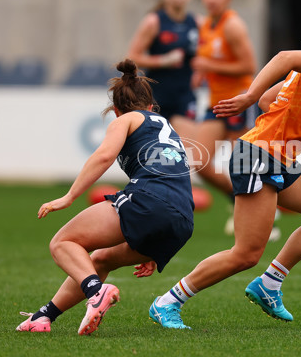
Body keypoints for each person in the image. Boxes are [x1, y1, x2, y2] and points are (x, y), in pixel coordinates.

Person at [149, 3, 301, 329]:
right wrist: (247, 94)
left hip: (275, 156)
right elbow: (282, 61)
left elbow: (269, 101)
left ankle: (269, 284)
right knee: (245, 254)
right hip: (257, 155)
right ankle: (168, 301)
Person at [16, 59, 194, 335]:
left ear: (115, 110)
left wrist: (69, 197)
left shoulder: (126, 119)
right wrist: (152, 240)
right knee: (99, 260)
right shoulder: (164, 125)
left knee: (63, 242)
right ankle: (44, 316)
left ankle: (96, 293)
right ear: (150, 106)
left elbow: (103, 156)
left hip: (150, 203)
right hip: (181, 220)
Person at [189, 0, 260, 236]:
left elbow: (249, 66)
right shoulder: (207, 25)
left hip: (238, 101)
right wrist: (201, 75)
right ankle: (237, 200)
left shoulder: (233, 26)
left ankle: (265, 216)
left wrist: (209, 67)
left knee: (242, 164)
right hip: (215, 102)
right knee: (200, 162)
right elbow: (209, 61)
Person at [127, 0, 200, 139]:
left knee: (187, 149)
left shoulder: (197, 22)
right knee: (158, 148)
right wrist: (163, 60)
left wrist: (201, 72)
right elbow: (132, 58)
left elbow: (203, 56)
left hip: (185, 95)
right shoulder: (153, 21)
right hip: (158, 95)